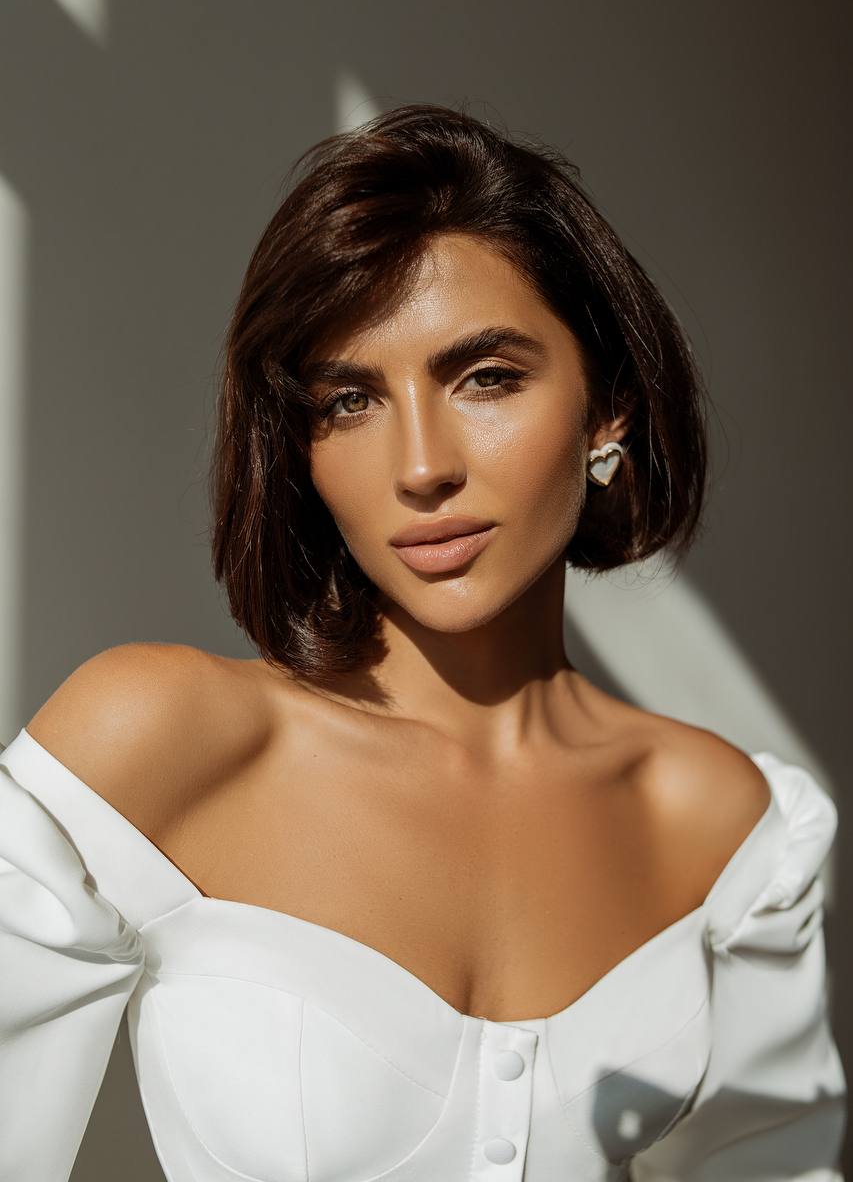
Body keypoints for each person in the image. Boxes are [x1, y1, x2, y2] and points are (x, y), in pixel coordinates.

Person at [0, 103, 846, 1181]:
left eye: (485, 377)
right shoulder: (163, 741)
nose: (418, 465)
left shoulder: (724, 827)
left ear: (607, 412)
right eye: (349, 400)